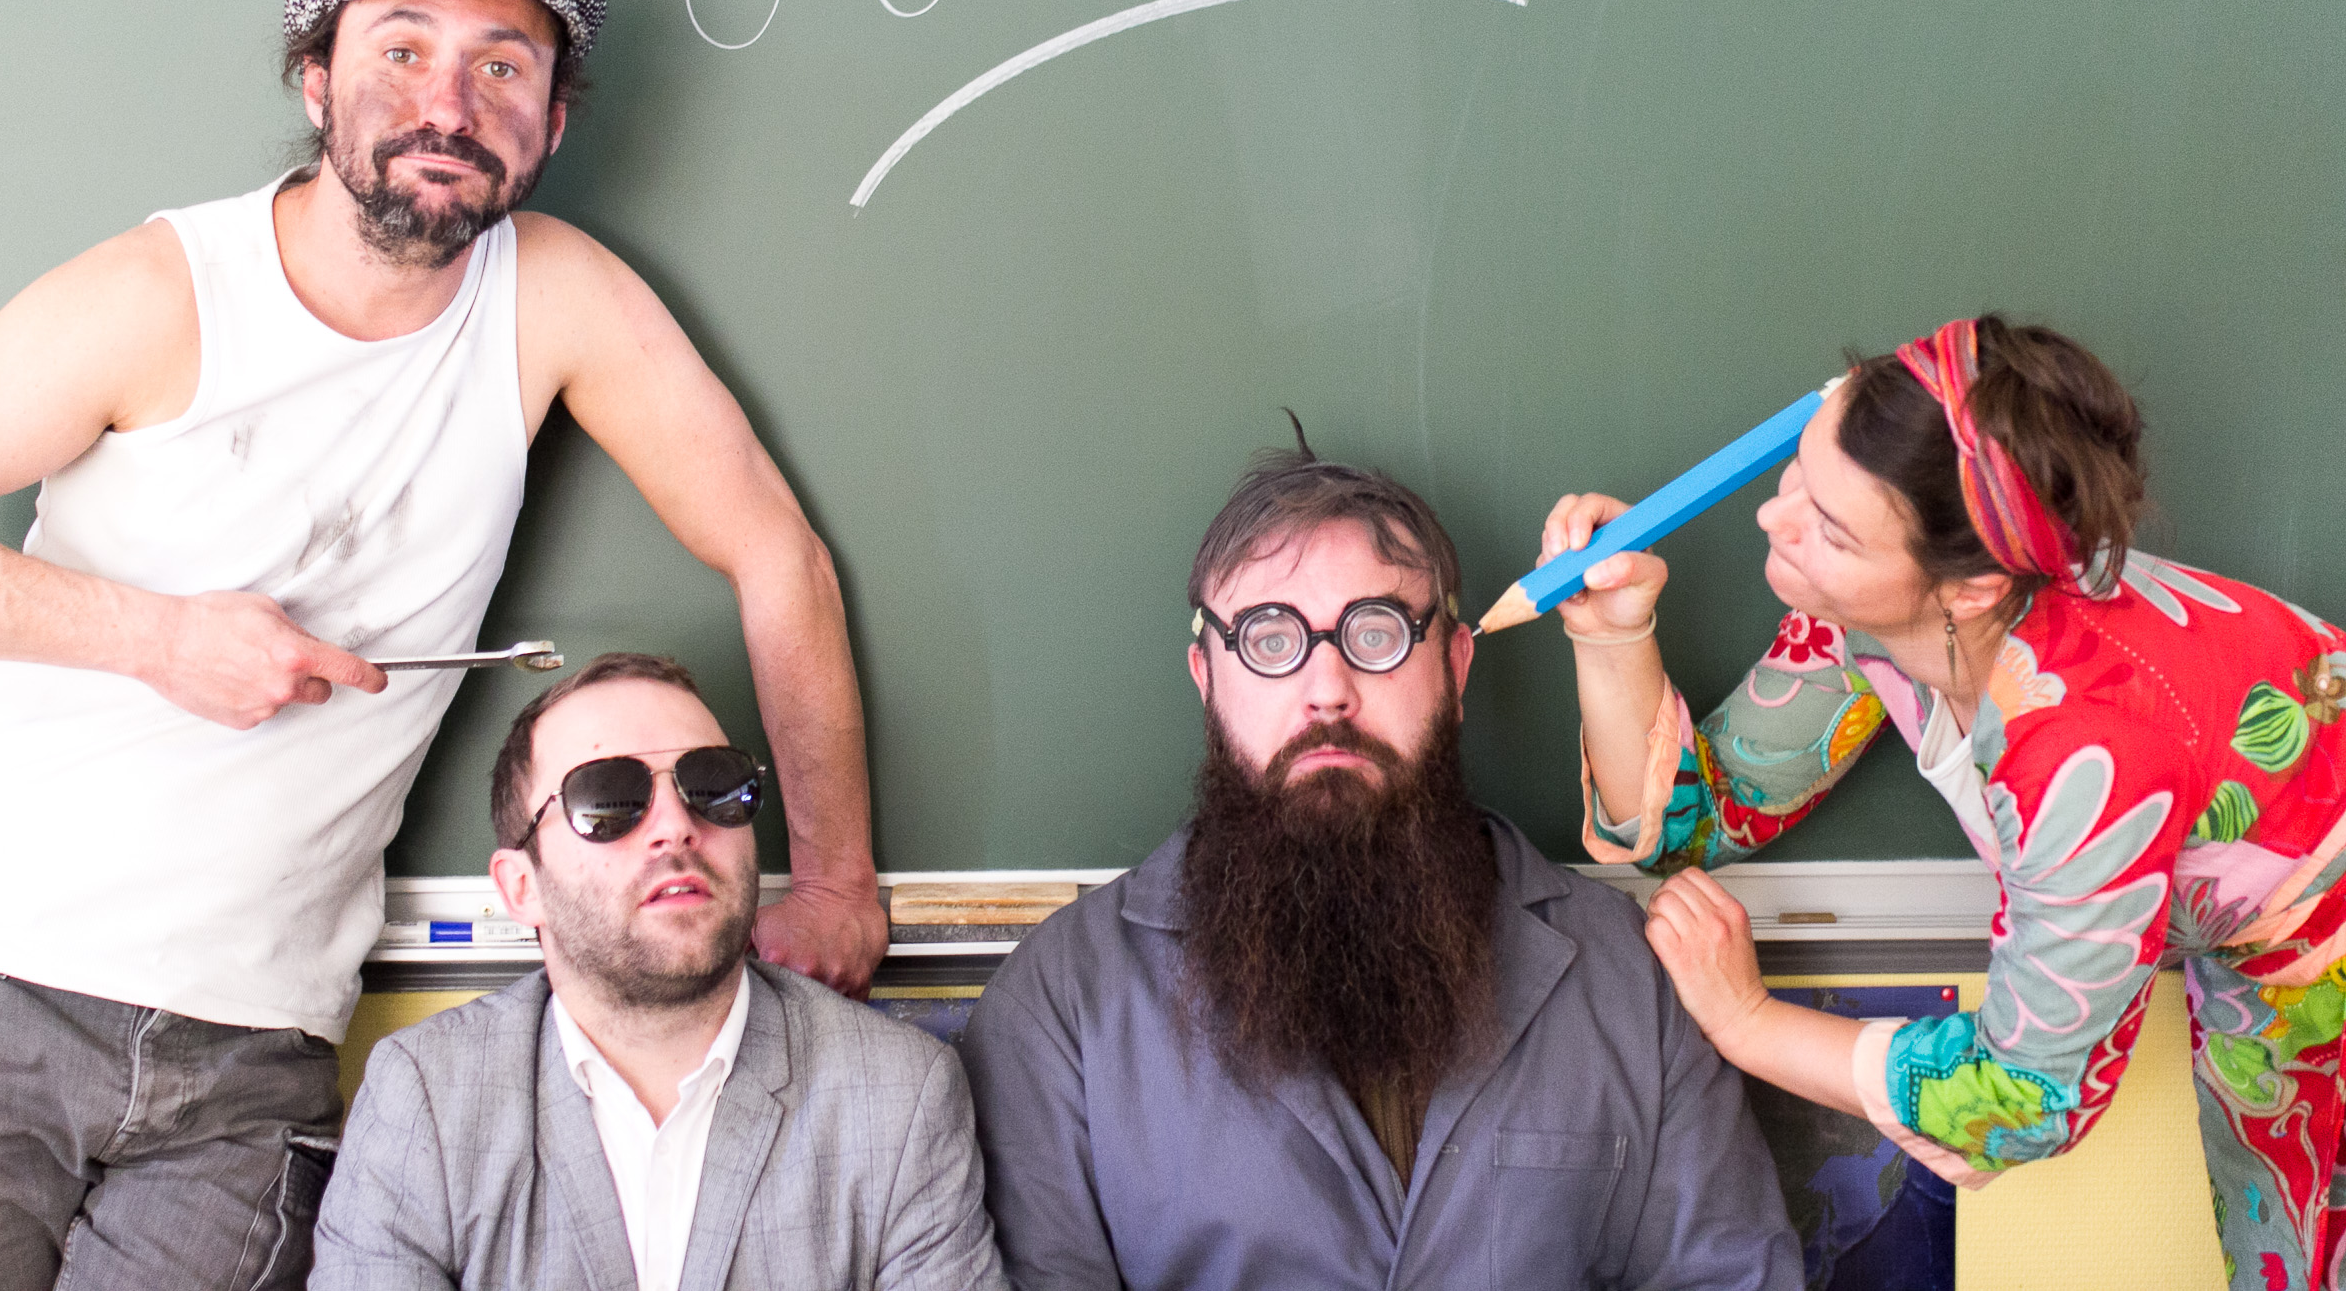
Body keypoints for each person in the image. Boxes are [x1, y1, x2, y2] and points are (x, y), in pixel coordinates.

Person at [0, 0, 885, 1290]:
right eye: (402, 49)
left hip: (253, 1044)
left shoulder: (556, 295)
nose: (450, 103)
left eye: (503, 67)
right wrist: (160, 638)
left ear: (553, 121)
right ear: (317, 81)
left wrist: (838, 878)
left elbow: (775, 553)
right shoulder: (161, 292)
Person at [1552, 313, 2346, 1289]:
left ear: (1965, 589)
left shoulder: (2085, 752)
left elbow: (2024, 1097)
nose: (1771, 517)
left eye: (1830, 528)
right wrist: (1609, 635)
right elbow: (1699, 821)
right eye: (1798, 471)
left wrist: (1746, 1021)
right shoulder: (1881, 613)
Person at [959, 439, 1802, 1290]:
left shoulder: (1628, 975)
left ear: (1455, 668)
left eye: (1377, 632)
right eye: (1269, 637)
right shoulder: (1062, 1003)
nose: (1327, 687)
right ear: (1204, 676)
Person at [314, 653, 1001, 1291]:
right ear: (521, 887)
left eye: (714, 785)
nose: (676, 825)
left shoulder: (897, 1098)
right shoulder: (425, 1100)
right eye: (608, 798)